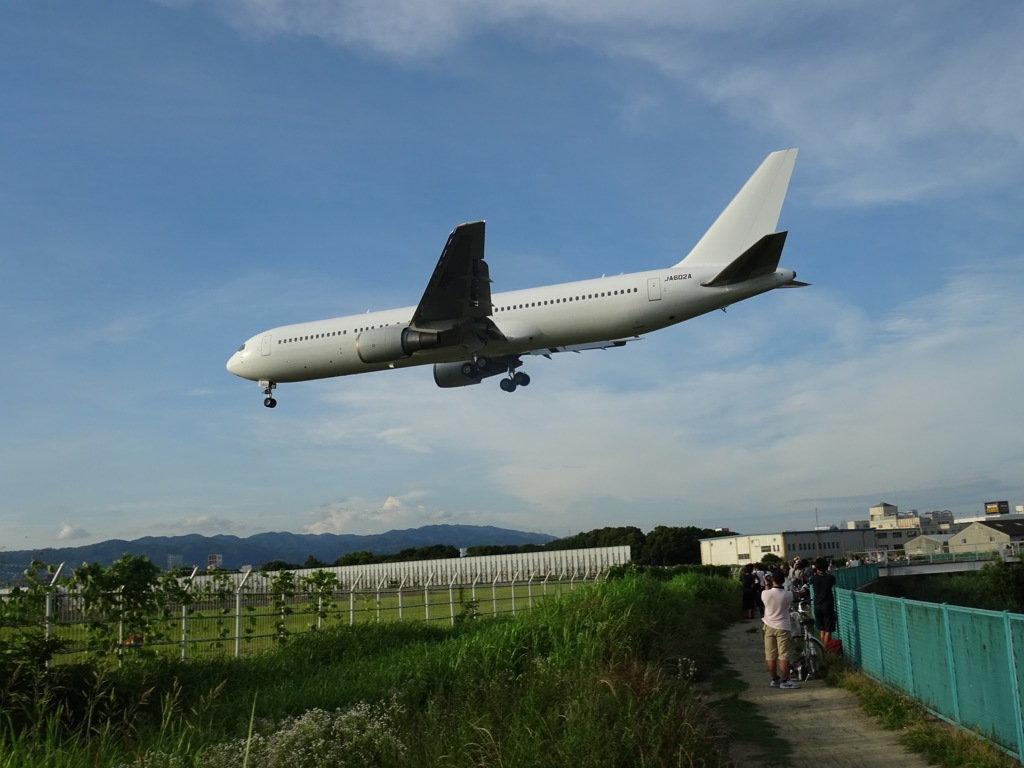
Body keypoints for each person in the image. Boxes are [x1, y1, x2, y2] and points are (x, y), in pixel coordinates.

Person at [761, 569, 800, 689]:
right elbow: (796, 596)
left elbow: (768, 593)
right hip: (783, 626)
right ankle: (785, 680)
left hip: (768, 626)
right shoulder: (788, 595)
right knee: (783, 654)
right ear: (783, 581)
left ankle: (774, 679)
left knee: (770, 654)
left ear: (772, 580)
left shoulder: (764, 593)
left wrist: (766, 582)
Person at [808, 557, 837, 645]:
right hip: (827, 606)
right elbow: (833, 583)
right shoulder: (831, 578)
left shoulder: (813, 578)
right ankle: (826, 651)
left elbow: (810, 582)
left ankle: (822, 648)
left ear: (816, 567)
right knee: (828, 630)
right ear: (827, 566)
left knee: (822, 629)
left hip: (817, 606)